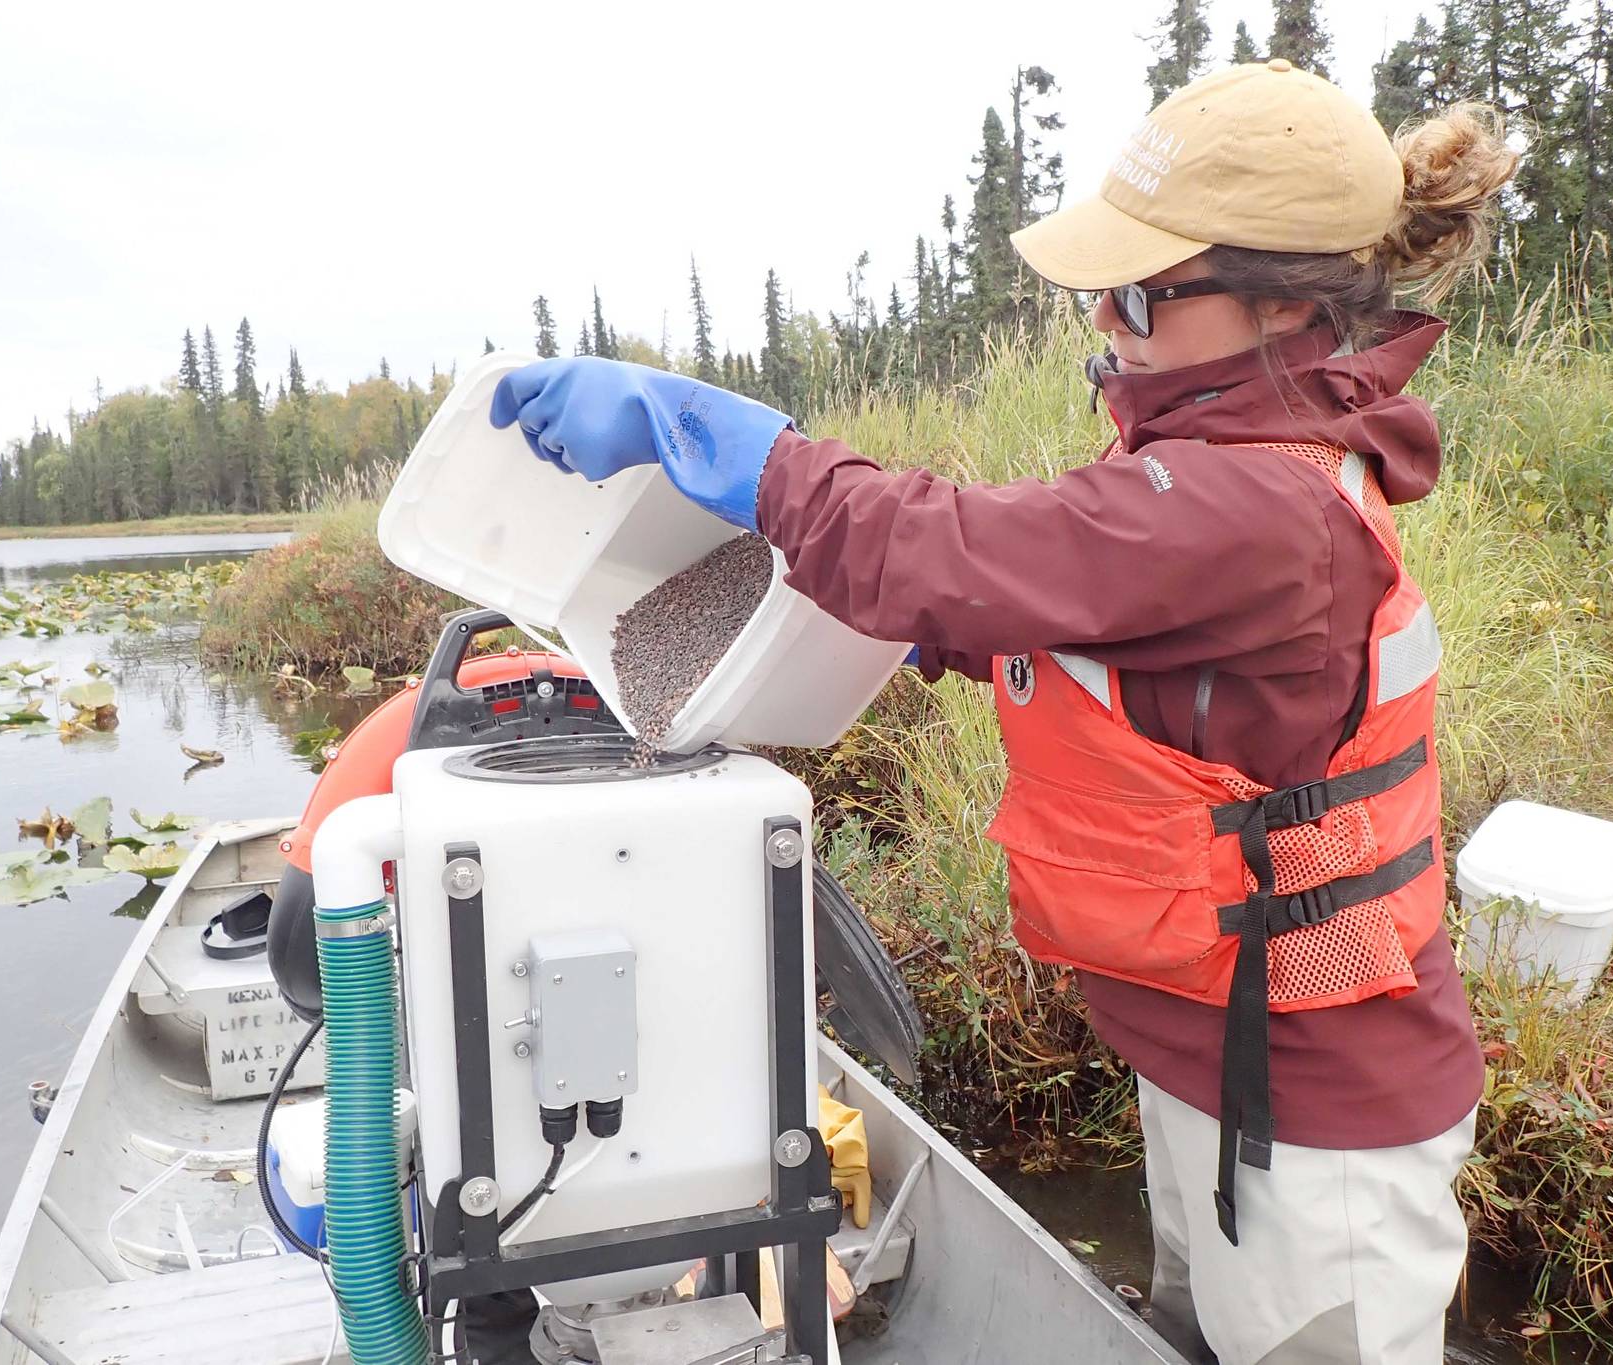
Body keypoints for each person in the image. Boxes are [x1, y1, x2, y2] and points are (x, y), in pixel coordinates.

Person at [491, 60, 1518, 1365]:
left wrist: (750, 455)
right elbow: (1076, 625)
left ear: (1282, 307)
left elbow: (962, 549)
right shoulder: (1207, 474)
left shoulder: (1259, 507)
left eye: (1142, 289)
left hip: (1321, 1123)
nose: (1106, 311)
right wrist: (917, 620)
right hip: (1213, 1073)